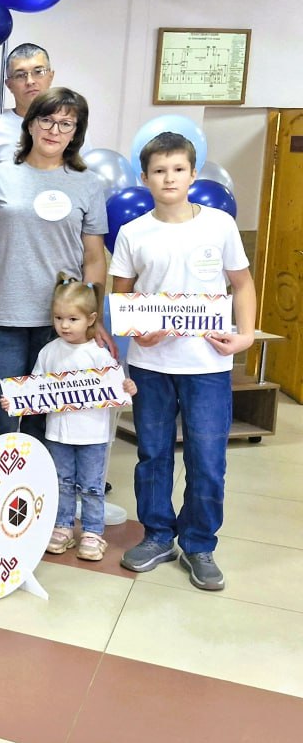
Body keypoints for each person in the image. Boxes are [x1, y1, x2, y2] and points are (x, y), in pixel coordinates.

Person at [110, 131, 256, 591]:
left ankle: (199, 543)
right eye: (159, 170)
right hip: (153, 364)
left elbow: (243, 283)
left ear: (193, 174)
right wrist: (140, 330)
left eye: (177, 169)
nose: (168, 178)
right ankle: (157, 535)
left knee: (207, 458)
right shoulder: (134, 233)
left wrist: (246, 336)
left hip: (208, 365)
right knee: (152, 455)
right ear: (145, 177)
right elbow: (121, 296)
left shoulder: (218, 225)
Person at [0, 87, 109, 443]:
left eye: (66, 124)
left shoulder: (89, 185)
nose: (54, 130)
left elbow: (93, 259)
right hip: (4, 319)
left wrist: (93, 320)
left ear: (76, 133)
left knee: (44, 421)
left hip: (62, 323)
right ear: (30, 124)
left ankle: (38, 495)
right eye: (47, 119)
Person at [1, 275, 136, 561]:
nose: (64, 325)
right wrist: (15, 399)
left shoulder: (99, 353)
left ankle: (92, 532)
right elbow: (35, 390)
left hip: (93, 435)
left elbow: (118, 386)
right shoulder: (49, 352)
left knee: (91, 485)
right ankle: (62, 527)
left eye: (72, 319)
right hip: (58, 434)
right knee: (61, 482)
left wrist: (128, 388)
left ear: (91, 319)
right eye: (59, 318)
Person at [0, 43, 54, 164]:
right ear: (9, 85)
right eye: (20, 75)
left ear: (51, 77)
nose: (30, 81)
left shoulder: (68, 127)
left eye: (38, 71)